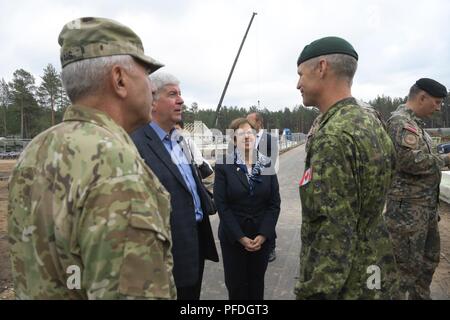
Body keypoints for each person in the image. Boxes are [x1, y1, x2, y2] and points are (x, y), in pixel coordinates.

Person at [8, 17, 176, 299]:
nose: (152, 87)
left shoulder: (34, 151)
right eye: (146, 74)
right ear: (119, 79)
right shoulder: (116, 166)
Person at [294, 36, 399, 299]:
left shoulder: (333, 136)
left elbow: (333, 233)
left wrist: (314, 294)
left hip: (349, 283)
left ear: (321, 67)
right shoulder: (371, 121)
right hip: (376, 269)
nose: (298, 84)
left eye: (300, 74)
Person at [131, 72, 219, 300]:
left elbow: (188, 181)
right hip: (167, 251)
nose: (181, 100)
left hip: (196, 239)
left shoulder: (179, 140)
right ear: (152, 102)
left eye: (180, 94)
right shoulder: (135, 143)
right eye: (172, 94)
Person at [385, 78, 448, 300]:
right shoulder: (400, 123)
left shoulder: (416, 125)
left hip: (424, 211)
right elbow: (409, 161)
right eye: (437, 102)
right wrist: (445, 159)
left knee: (428, 261)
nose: (439, 107)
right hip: (407, 214)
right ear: (422, 97)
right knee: (405, 271)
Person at [214, 118, 280, 300]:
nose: (247, 137)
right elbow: (222, 205)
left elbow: (274, 203)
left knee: (257, 284)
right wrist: (241, 237)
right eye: (241, 134)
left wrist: (264, 234)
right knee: (236, 286)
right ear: (234, 140)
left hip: (261, 237)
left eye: (250, 132)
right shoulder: (224, 165)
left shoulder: (267, 163)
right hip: (234, 238)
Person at [246, 112, 279, 262]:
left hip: (265, 182)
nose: (247, 124)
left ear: (259, 122)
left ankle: (270, 247)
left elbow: (270, 162)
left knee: (268, 216)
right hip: (247, 184)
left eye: (250, 122)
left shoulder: (270, 140)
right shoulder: (244, 139)